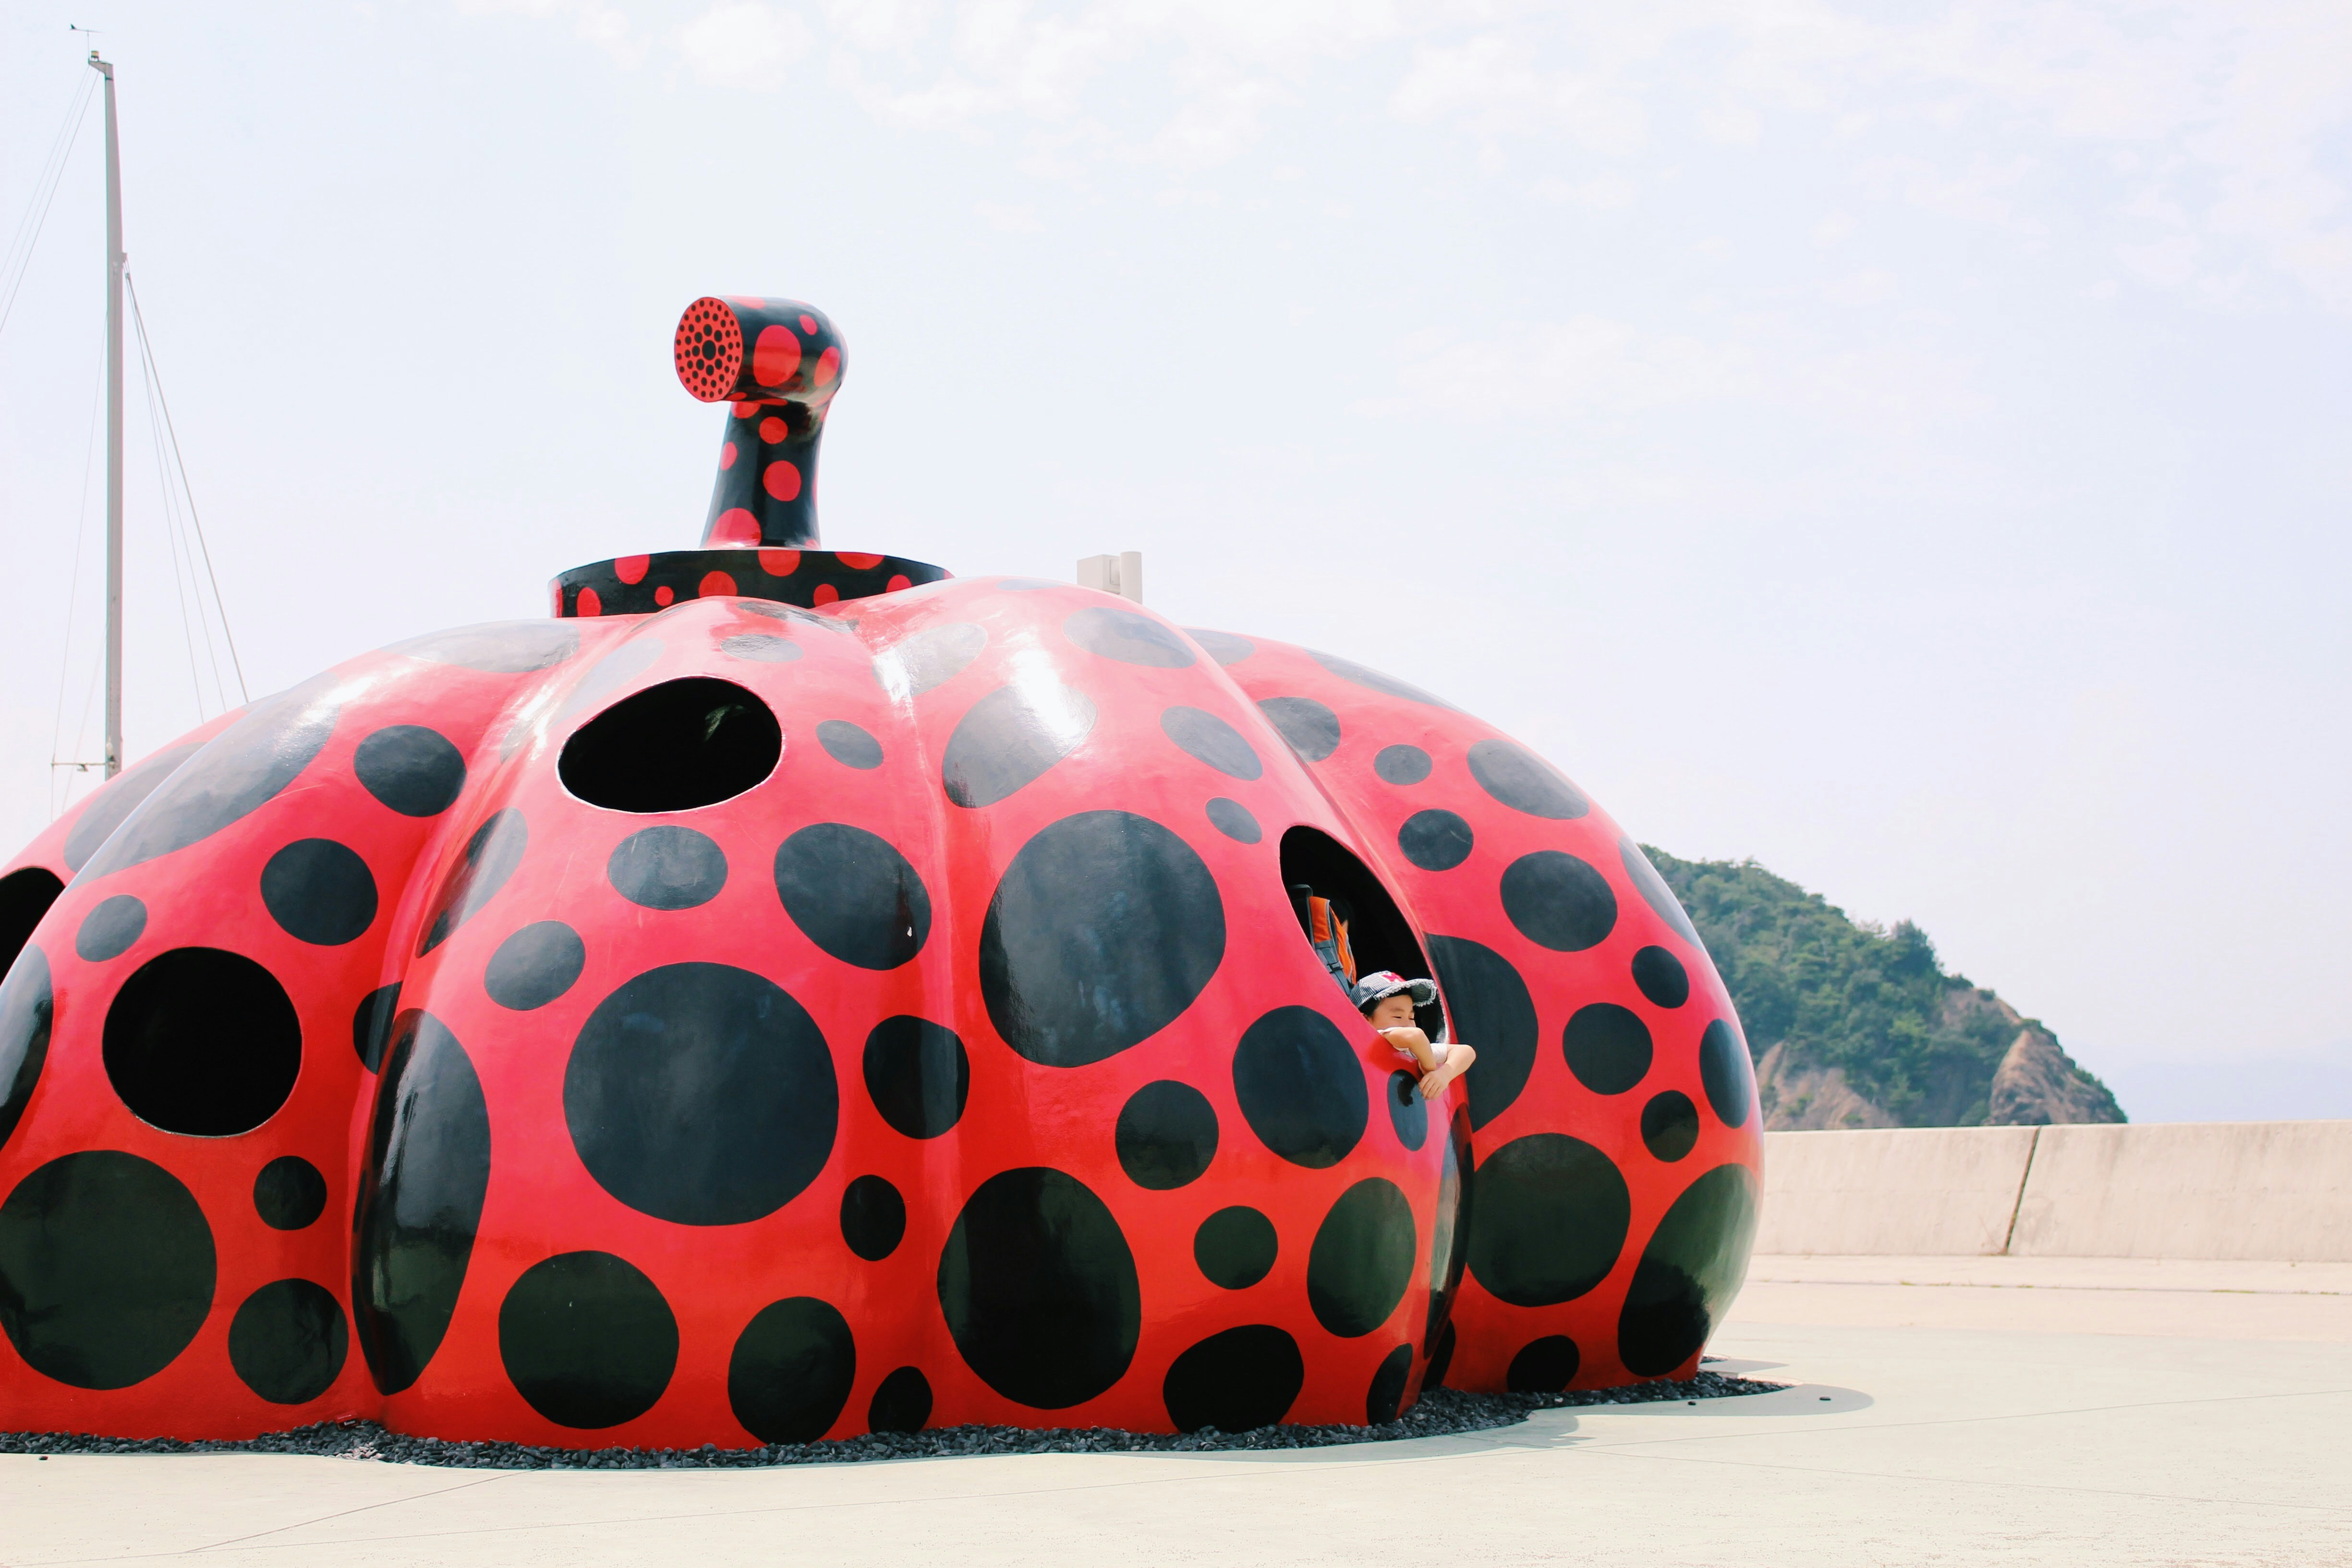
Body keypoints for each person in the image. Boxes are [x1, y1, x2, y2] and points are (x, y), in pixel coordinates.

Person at [1352, 971, 1475, 1101]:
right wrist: (1430, 1068)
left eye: (1412, 1017)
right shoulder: (1379, 1038)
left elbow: (1467, 1052)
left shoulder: (1412, 1050)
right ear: (1365, 1020)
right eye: (1397, 1016)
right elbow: (1416, 1036)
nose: (1407, 1024)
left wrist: (1444, 1074)